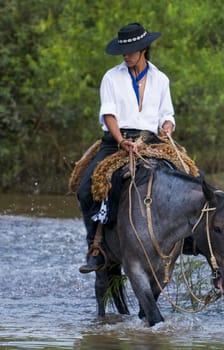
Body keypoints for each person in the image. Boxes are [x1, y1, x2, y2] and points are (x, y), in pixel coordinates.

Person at [77, 22, 175, 273]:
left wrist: (167, 127)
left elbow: (167, 114)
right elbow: (109, 114)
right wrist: (121, 140)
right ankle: (95, 248)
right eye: (124, 50)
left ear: (144, 49)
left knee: (191, 178)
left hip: (151, 142)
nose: (126, 54)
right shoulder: (111, 77)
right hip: (116, 142)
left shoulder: (161, 79)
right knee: (87, 188)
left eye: (131, 50)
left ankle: (183, 240)